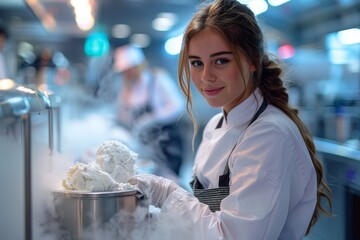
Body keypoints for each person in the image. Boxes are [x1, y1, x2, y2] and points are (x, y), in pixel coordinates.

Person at [128, 0, 332, 239]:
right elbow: (206, 219)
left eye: (221, 61)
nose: (206, 76)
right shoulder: (216, 125)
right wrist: (149, 217)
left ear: (253, 61)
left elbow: (233, 236)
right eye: (196, 63)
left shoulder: (269, 134)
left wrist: (167, 193)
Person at [113, 44, 185, 176]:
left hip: (167, 144)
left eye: (129, 69)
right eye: (125, 70)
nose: (127, 73)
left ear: (138, 65)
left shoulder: (157, 78)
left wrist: (153, 118)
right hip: (145, 147)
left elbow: (178, 106)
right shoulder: (126, 88)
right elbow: (122, 114)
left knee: (169, 181)